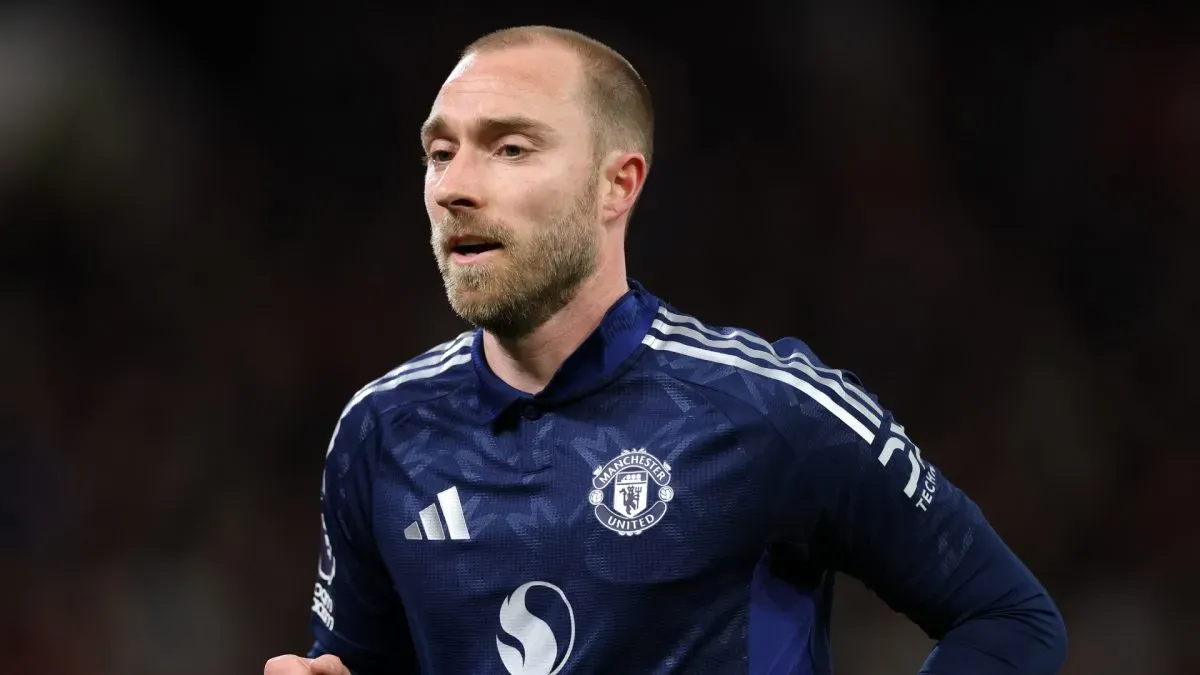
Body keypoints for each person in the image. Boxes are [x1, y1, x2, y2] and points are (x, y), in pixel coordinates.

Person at [264, 25, 1067, 675]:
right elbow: (355, 662)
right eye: (441, 153)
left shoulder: (768, 409)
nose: (454, 185)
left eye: (510, 148)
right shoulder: (380, 431)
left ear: (619, 183)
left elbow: (1009, 618)